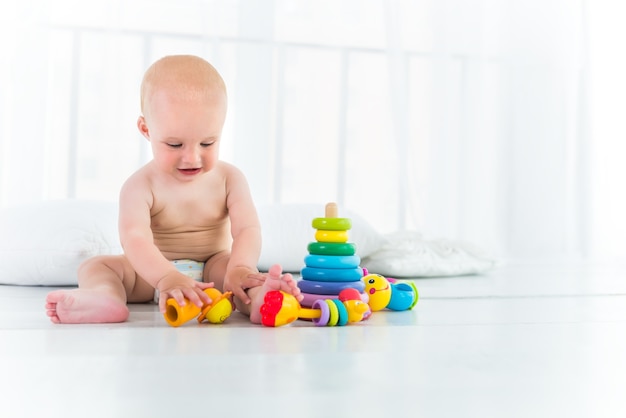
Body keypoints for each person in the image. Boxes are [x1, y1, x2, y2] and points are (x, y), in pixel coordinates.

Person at [45, 55, 302, 324]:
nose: (192, 157)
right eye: (175, 145)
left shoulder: (230, 178)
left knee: (240, 280)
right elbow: (135, 239)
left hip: (215, 268)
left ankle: (263, 301)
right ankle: (105, 297)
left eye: (207, 143)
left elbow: (247, 229)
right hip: (151, 274)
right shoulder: (139, 185)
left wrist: (240, 267)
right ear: (146, 129)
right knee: (96, 266)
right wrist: (166, 276)